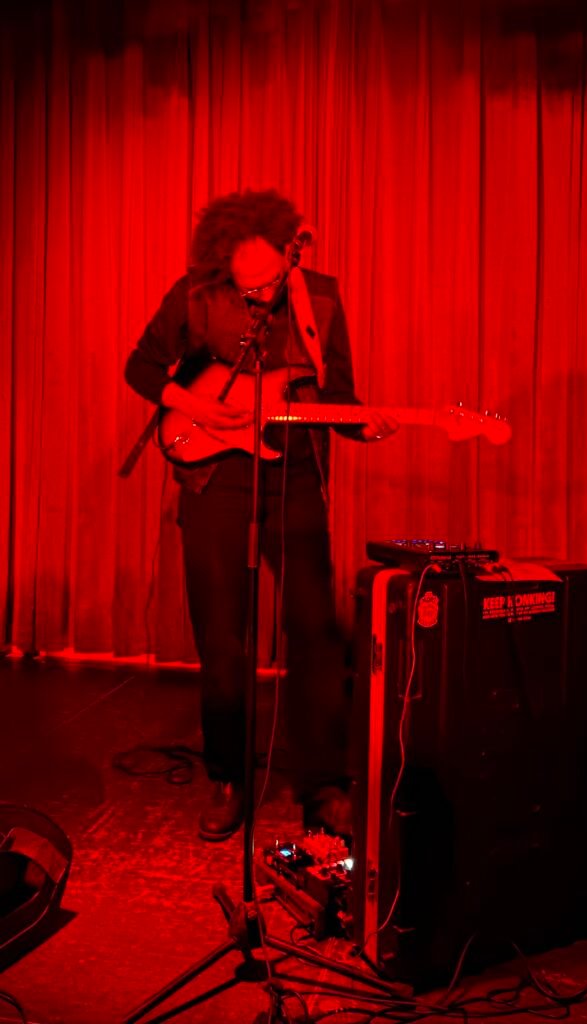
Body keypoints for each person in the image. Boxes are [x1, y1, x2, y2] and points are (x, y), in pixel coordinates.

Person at [125, 189, 397, 840]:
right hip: (214, 479)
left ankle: (323, 788)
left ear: (288, 254)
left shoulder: (320, 299)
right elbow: (141, 367)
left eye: (268, 281)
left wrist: (364, 425)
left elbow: (338, 396)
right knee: (223, 639)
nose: (258, 294)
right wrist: (193, 406)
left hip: (295, 476)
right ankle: (228, 777)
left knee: (316, 633)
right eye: (245, 285)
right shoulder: (194, 294)